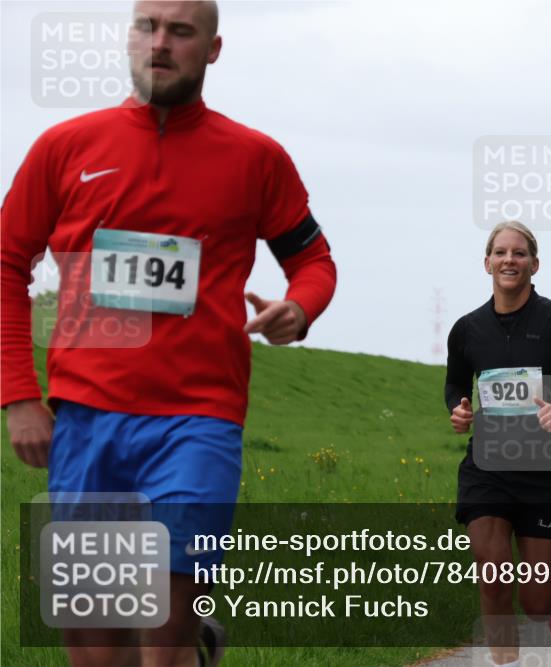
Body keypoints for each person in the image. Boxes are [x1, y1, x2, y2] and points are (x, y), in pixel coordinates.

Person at [1, 2, 337, 665]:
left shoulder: (256, 158)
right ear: (129, 38)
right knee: (97, 646)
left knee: (163, 620)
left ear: (212, 49)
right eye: (147, 27)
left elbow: (313, 260)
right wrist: (18, 394)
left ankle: (188, 642)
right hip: (87, 418)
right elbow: (9, 261)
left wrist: (301, 308)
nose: (160, 43)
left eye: (180, 31)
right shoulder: (65, 147)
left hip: (198, 420)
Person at [445, 221, 551, 666]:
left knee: (537, 603)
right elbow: (455, 385)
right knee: (493, 578)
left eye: (519, 253)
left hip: (547, 473)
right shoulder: (467, 330)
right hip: (488, 470)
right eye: (500, 253)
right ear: (487, 263)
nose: (509, 260)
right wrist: (460, 409)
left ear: (534, 264)